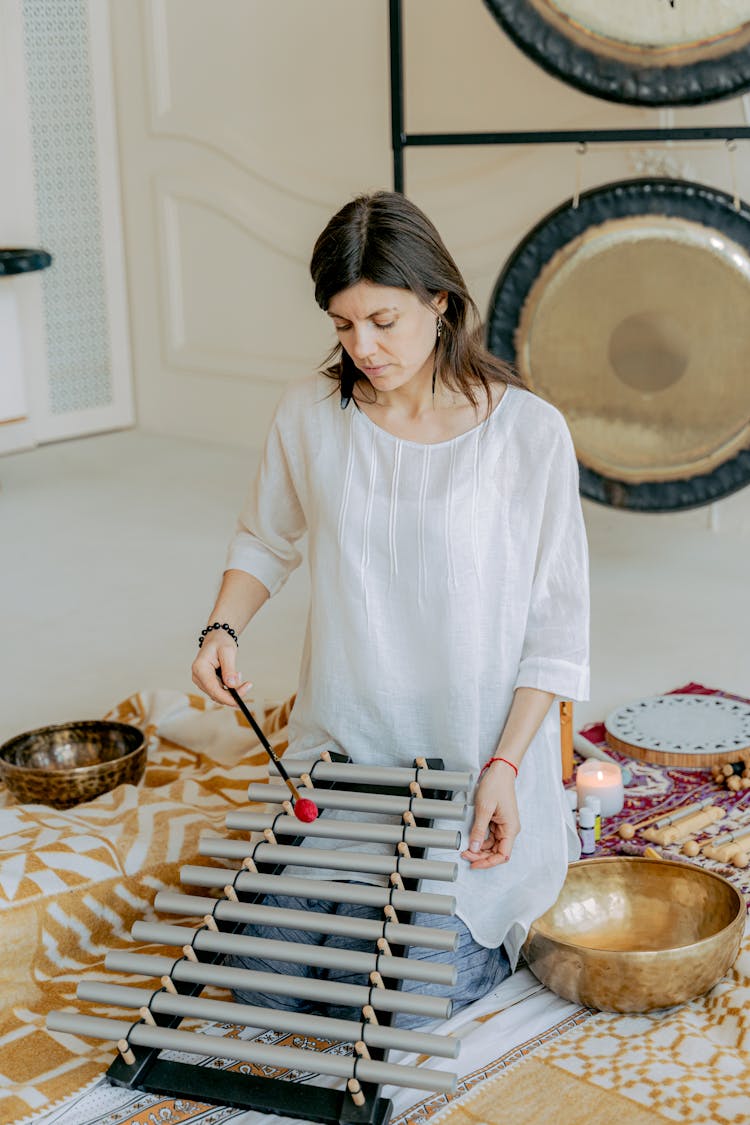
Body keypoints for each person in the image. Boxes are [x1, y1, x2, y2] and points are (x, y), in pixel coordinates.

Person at [191, 190, 589, 1027]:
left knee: (399, 1000)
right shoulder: (310, 412)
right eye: (342, 326)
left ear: (439, 302)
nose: (362, 347)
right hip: (344, 770)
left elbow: (556, 631)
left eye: (383, 321)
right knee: (266, 986)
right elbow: (266, 538)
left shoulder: (529, 434)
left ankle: (472, 919)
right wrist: (222, 628)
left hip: (478, 776)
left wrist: (508, 768)